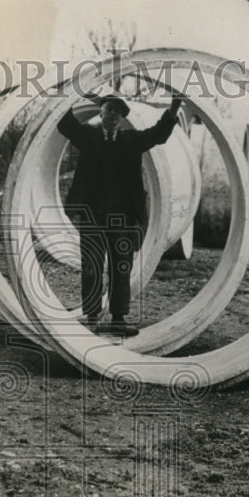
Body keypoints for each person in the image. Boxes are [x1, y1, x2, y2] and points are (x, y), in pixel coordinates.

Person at [57, 92, 183, 336]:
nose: (113, 114)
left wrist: (175, 105)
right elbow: (65, 123)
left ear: (123, 118)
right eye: (109, 109)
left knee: (121, 266)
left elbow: (159, 133)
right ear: (100, 112)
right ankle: (92, 316)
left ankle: (118, 318)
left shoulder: (131, 140)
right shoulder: (88, 136)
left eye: (118, 111)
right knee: (91, 265)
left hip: (122, 218)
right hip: (93, 215)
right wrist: (68, 94)